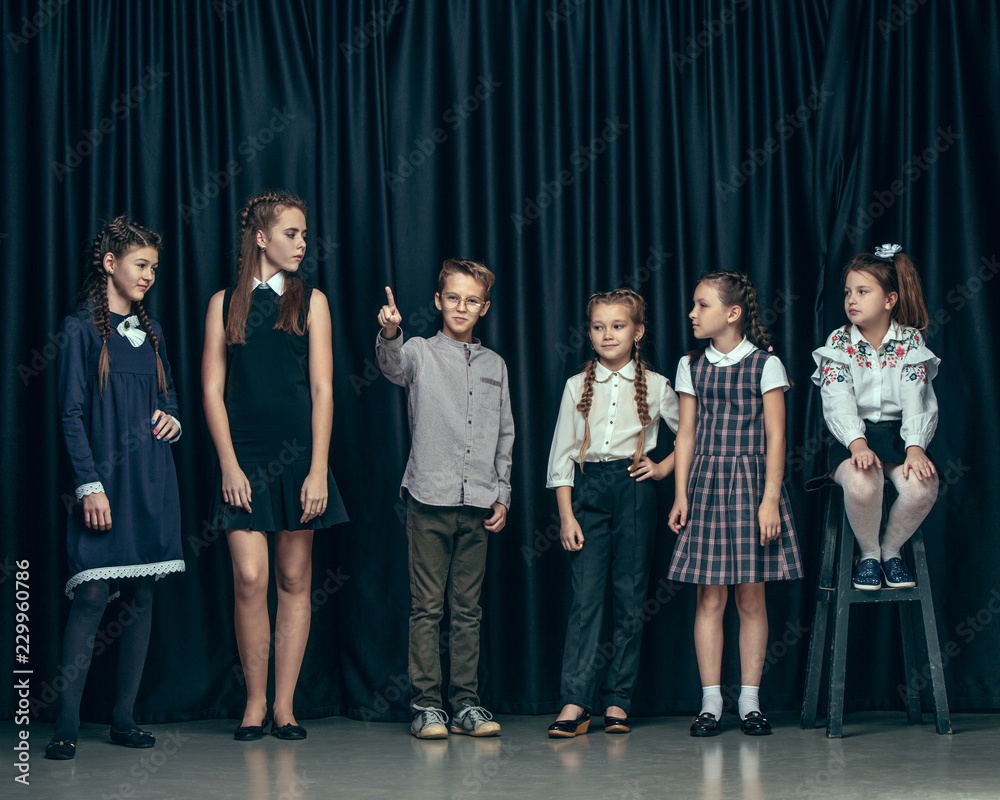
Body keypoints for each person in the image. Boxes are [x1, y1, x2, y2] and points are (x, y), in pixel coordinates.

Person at [202, 190, 348, 741]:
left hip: (298, 460)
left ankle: (284, 707)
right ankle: (254, 703)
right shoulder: (225, 302)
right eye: (293, 234)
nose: (303, 244)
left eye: (306, 235)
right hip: (244, 459)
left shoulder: (312, 302)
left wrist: (317, 469)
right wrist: (229, 465)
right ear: (261, 238)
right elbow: (212, 391)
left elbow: (323, 389)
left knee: (292, 578)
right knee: (249, 577)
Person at [47, 216, 185, 760]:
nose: (149, 274)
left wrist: (173, 419)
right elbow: (70, 414)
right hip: (106, 482)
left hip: (151, 479)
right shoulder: (79, 330)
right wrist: (89, 485)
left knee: (144, 594)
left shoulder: (151, 334)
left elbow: (168, 398)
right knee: (93, 595)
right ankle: (66, 724)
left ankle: (124, 718)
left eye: (154, 266)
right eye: (140, 264)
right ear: (110, 263)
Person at [376, 259, 514, 739]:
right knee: (428, 607)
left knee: (468, 609)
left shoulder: (496, 364)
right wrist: (390, 333)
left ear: (484, 307)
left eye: (471, 300)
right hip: (428, 498)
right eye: (452, 297)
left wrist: (503, 493)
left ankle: (466, 705)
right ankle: (427, 706)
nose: (461, 306)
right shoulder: (418, 351)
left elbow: (504, 434)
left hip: (478, 502)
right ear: (438, 301)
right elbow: (392, 367)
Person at [667, 271, 802, 737]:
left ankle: (749, 702)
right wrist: (681, 493)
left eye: (701, 305)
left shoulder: (766, 364)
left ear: (732, 313)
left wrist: (770, 501)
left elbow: (777, 437)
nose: (692, 313)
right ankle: (711, 702)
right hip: (706, 484)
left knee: (750, 595)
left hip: (751, 486)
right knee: (709, 596)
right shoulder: (691, 364)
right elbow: (685, 435)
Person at [545, 289, 679, 738]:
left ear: (637, 332)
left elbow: (694, 436)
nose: (607, 334)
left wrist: (662, 467)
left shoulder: (658, 386)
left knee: (630, 595)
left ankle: (618, 700)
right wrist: (567, 516)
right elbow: (562, 455)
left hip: (635, 489)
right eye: (598, 326)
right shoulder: (575, 385)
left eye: (618, 326)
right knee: (585, 600)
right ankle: (575, 700)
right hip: (589, 489)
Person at [812, 244, 939, 591]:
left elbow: (917, 398)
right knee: (864, 483)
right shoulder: (839, 340)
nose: (852, 299)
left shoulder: (911, 341)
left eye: (863, 292)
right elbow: (837, 400)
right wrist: (857, 443)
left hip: (899, 437)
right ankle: (867, 555)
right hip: (853, 439)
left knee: (922, 488)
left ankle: (890, 551)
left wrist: (915, 448)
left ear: (890, 299)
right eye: (848, 292)